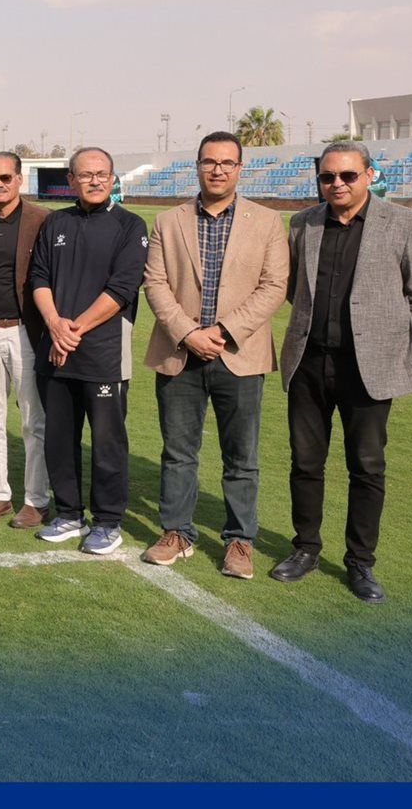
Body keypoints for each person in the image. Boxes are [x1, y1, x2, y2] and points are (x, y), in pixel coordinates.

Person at [272, 141, 412, 603]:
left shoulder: (404, 223)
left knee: (366, 466)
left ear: (369, 175)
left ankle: (360, 562)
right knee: (305, 463)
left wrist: (384, 337)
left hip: (368, 368)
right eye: (328, 177)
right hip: (309, 361)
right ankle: (306, 549)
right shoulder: (303, 223)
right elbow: (293, 289)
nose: (337, 184)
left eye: (348, 175)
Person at [142, 132, 288, 579]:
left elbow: (273, 287)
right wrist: (189, 333)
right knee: (178, 452)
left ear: (240, 168)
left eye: (227, 162)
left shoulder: (267, 222)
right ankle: (176, 532)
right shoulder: (168, 222)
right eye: (209, 162)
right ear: (198, 166)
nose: (217, 170)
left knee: (241, 456)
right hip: (180, 354)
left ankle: (240, 540)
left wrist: (222, 332)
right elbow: (156, 284)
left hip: (238, 354)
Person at [28, 146, 148, 555]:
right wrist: (54, 325)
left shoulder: (130, 225)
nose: (94, 181)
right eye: (85, 174)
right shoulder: (56, 222)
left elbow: (122, 289)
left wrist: (72, 330)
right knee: (59, 438)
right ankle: (69, 513)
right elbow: (39, 278)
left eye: (101, 174)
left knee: (107, 442)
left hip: (103, 352)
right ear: (71, 180)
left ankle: (108, 521)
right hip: (56, 349)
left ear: (112, 178)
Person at [0, 152, 52, 528]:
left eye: (5, 177)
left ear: (19, 179)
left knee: (34, 421)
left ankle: (36, 500)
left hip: (26, 330)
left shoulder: (42, 220)